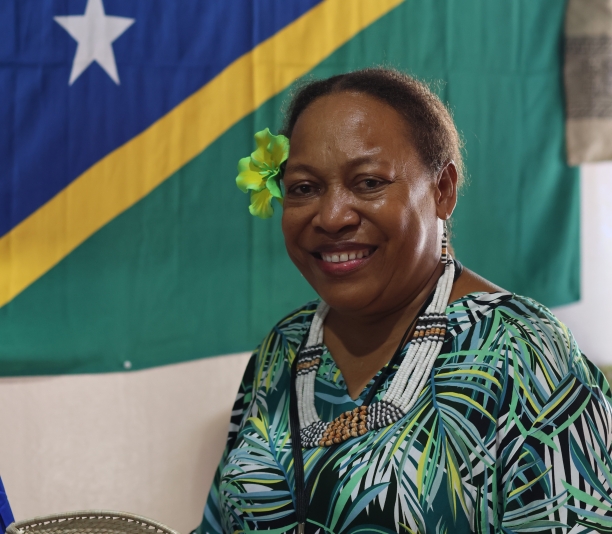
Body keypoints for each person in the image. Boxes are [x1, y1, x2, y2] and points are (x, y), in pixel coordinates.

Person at [194, 68, 612, 534]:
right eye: (305, 188)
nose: (331, 217)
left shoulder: (521, 354)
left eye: (369, 182)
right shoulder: (284, 349)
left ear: (443, 190)